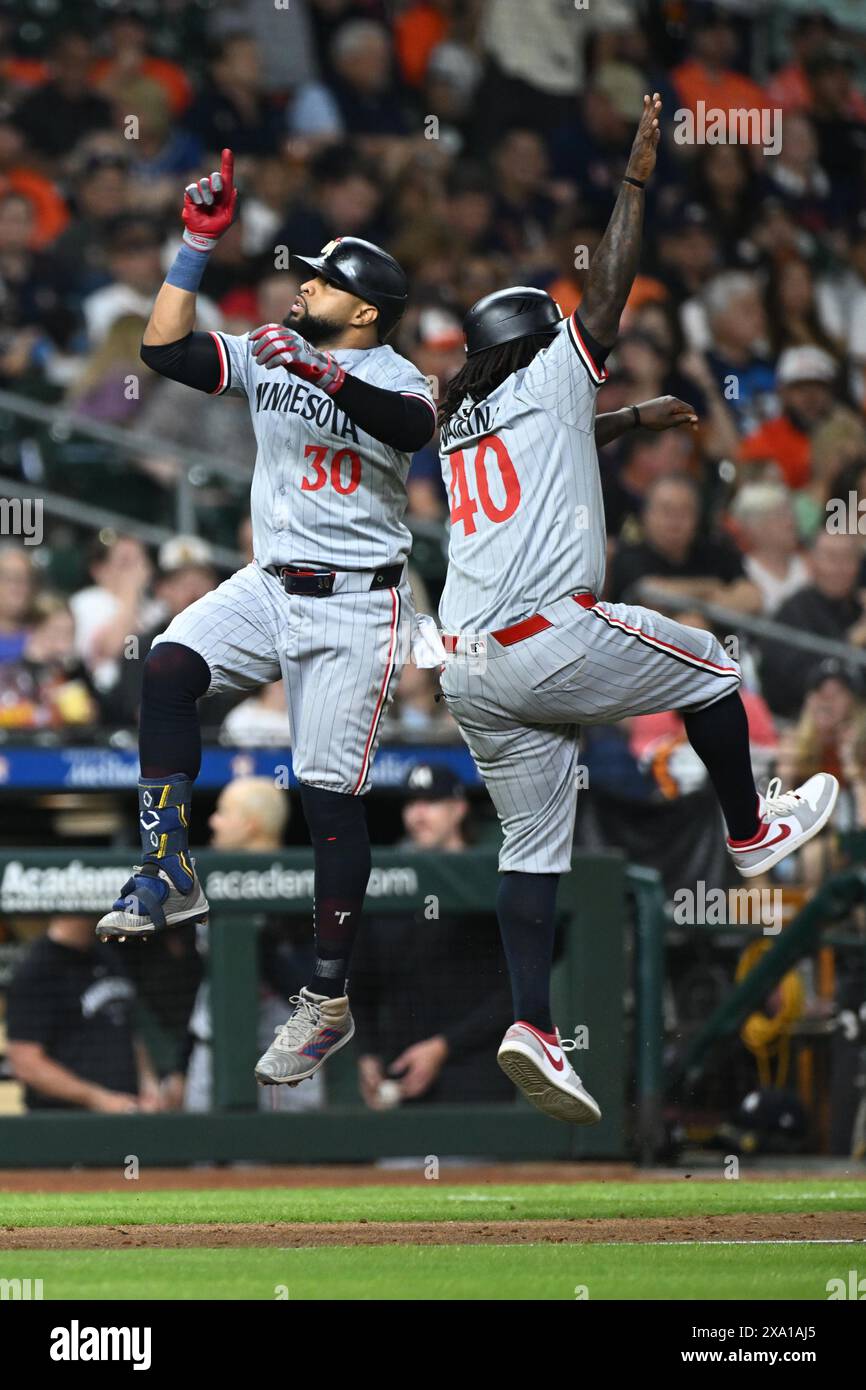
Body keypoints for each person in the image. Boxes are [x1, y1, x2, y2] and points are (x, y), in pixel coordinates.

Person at [435, 95, 839, 1125]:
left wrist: (621, 420)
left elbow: (549, 448)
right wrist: (633, 179)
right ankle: (748, 828)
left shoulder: (464, 420)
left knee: (531, 848)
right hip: (542, 638)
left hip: (469, 672)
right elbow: (605, 297)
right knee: (708, 660)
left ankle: (531, 1023)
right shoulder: (545, 368)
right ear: (537, 342)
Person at [95, 149, 437, 1109]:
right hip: (269, 579)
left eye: (329, 279)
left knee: (329, 798)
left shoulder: (396, 371)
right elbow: (162, 352)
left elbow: (411, 428)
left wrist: (322, 369)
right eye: (310, 271)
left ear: (364, 308)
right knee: (166, 668)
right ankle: (167, 869)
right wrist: (196, 243)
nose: (309, 282)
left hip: (355, 600)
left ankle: (325, 998)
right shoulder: (275, 346)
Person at [352, 763, 514, 1107]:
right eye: (411, 804)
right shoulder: (385, 881)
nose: (418, 814)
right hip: (401, 1076)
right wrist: (367, 1053)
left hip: (476, 1076)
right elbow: (361, 983)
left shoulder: (490, 879)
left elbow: (514, 992)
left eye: (432, 802)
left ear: (458, 809)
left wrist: (444, 1046)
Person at [5, 915, 163, 1112]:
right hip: (67, 1122)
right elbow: (25, 1062)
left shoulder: (108, 955)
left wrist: (149, 1087)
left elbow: (127, 1030)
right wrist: (98, 1098)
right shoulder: (37, 967)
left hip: (127, 1112)